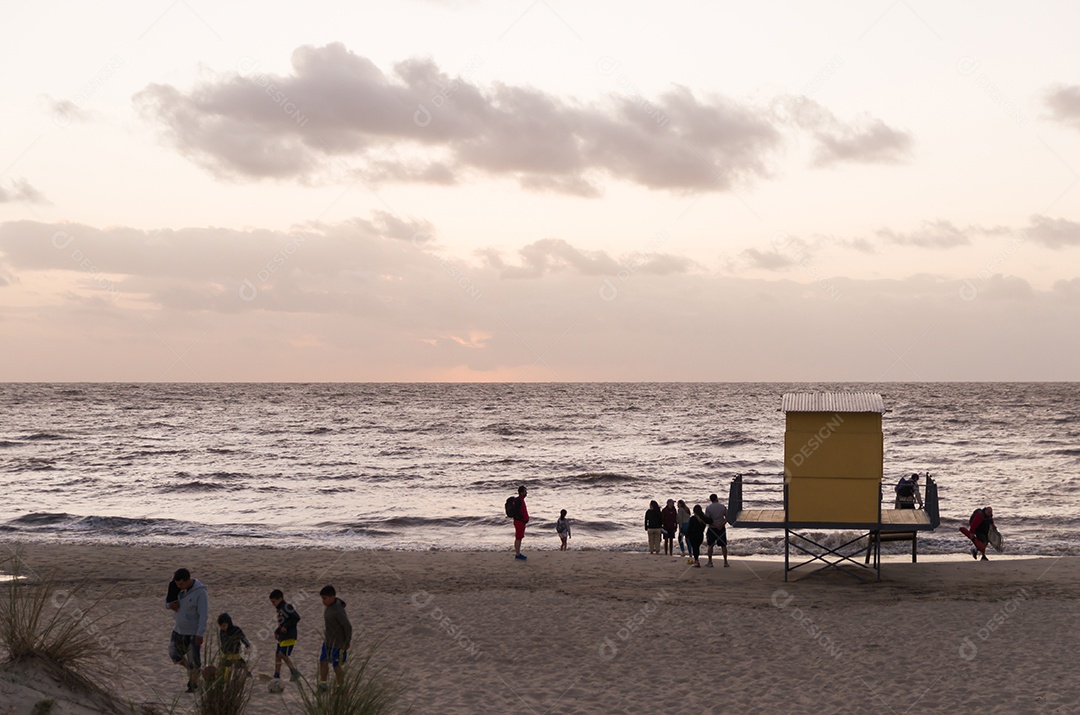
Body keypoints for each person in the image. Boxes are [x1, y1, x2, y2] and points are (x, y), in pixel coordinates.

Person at [166, 568, 208, 693]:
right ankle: (191, 670)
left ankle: (193, 685)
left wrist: (200, 633)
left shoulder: (200, 593)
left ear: (188, 580)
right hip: (178, 629)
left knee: (194, 659)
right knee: (174, 654)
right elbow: (166, 602)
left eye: (181, 584)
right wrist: (169, 606)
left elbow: (203, 614)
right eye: (177, 584)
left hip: (193, 632)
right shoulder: (175, 587)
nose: (179, 587)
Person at [319, 585, 352, 689]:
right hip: (328, 641)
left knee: (336, 665)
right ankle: (323, 684)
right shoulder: (329, 607)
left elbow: (347, 626)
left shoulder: (338, 610)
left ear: (332, 596)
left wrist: (347, 642)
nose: (323, 601)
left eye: (325, 598)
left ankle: (341, 687)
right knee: (323, 661)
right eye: (322, 598)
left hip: (338, 643)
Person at [269, 589, 302, 683]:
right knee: (277, 654)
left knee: (282, 654)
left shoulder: (287, 606)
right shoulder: (279, 609)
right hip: (282, 636)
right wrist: (277, 631)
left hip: (289, 636)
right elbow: (282, 623)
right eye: (271, 602)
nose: (273, 604)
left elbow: (296, 617)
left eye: (274, 602)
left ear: (280, 599)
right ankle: (276, 674)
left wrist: (286, 626)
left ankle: (294, 672)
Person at [216, 613, 251, 678]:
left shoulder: (236, 630)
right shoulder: (222, 632)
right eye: (221, 626)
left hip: (235, 654)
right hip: (225, 655)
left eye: (224, 625)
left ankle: (246, 675)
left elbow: (243, 637)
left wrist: (247, 644)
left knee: (242, 666)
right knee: (225, 670)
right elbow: (222, 641)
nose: (222, 628)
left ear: (229, 623)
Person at [705, 493, 729, 567]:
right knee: (723, 545)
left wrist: (714, 525)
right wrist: (721, 524)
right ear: (717, 499)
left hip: (712, 528)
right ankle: (725, 561)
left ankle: (710, 561)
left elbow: (707, 519)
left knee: (710, 545)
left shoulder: (708, 508)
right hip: (721, 528)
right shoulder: (722, 507)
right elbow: (727, 517)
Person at [512, 485, 530, 561]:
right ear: (522, 492)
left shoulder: (520, 499)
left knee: (519, 538)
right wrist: (522, 518)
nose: (526, 493)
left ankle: (518, 553)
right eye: (525, 491)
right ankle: (517, 554)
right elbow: (516, 511)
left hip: (520, 522)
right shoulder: (519, 500)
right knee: (518, 538)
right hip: (519, 522)